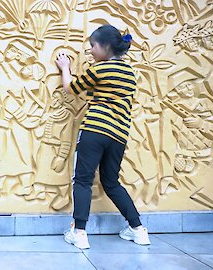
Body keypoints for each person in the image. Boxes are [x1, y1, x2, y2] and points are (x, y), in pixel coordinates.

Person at [55, 25, 150, 249]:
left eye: (92, 46)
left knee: (83, 180)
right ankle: (138, 230)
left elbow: (72, 88)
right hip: (118, 135)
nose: (90, 51)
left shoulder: (99, 70)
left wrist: (65, 67)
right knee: (111, 182)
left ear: (105, 47)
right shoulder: (130, 73)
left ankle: (79, 232)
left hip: (95, 131)